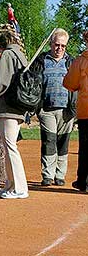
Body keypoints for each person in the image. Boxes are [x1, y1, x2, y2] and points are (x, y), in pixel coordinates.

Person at [30, 28, 76, 186]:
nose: (60, 48)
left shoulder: (71, 61)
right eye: (57, 44)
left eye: (63, 46)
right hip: (47, 109)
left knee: (63, 142)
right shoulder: (41, 60)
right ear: (51, 43)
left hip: (66, 110)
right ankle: (47, 175)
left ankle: (60, 175)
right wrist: (36, 107)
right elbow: (33, 84)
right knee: (49, 141)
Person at [0, 31, 29, 199]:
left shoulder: (7, 55)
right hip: (17, 107)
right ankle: (11, 185)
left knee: (10, 147)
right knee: (9, 147)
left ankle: (19, 188)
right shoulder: (20, 55)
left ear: (2, 45)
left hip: (7, 107)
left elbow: (2, 82)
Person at [63, 30, 88, 192]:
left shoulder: (80, 61)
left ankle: (83, 182)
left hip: (86, 110)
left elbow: (70, 84)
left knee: (85, 148)